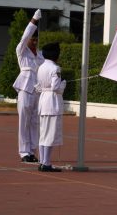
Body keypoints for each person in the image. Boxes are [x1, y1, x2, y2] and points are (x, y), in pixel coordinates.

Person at [13, 9, 44, 162]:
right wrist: (34, 20)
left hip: (37, 88)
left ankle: (32, 151)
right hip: (25, 87)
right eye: (33, 39)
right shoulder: (21, 51)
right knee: (24, 120)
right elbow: (25, 37)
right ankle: (24, 152)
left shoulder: (40, 55)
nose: (34, 41)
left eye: (36, 39)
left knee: (34, 121)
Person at [36, 42, 66, 172]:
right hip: (52, 102)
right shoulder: (55, 68)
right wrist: (63, 84)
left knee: (43, 133)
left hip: (43, 101)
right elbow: (55, 87)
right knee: (50, 134)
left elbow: (38, 86)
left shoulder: (41, 67)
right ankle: (46, 163)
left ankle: (43, 161)